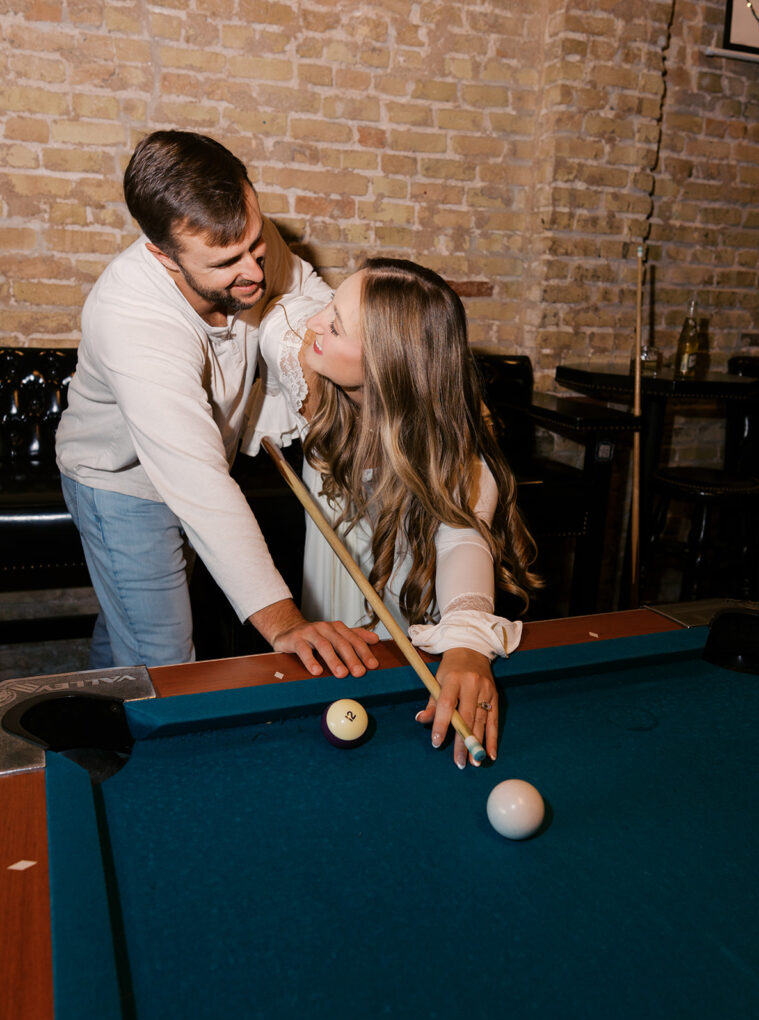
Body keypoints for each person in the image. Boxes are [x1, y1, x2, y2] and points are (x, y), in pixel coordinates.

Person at [56, 130, 380, 678]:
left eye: (256, 244)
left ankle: (98, 737)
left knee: (128, 628)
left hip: (203, 460)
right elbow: (198, 484)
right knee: (162, 658)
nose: (254, 270)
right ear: (163, 255)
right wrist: (285, 623)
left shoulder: (243, 241)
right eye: (228, 261)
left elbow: (301, 289)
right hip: (122, 483)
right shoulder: (130, 319)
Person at [241, 258, 541, 767]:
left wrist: (467, 645)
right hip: (332, 596)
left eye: (335, 325)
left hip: (409, 606)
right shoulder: (309, 367)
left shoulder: (458, 456)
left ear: (386, 365)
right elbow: (282, 315)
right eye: (328, 306)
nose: (316, 323)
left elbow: (462, 537)